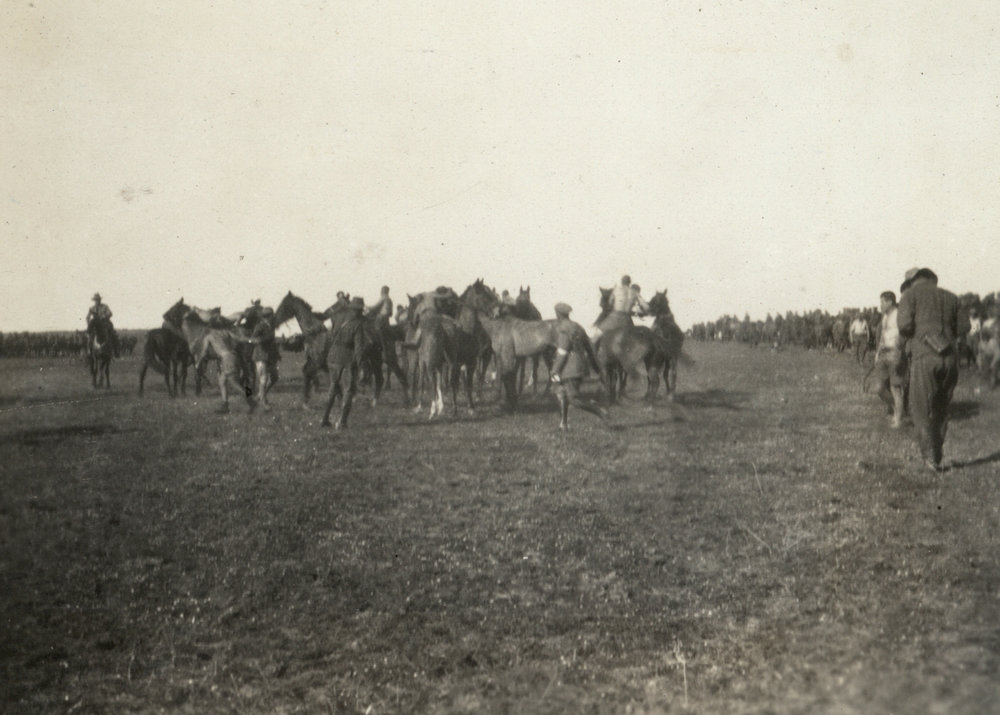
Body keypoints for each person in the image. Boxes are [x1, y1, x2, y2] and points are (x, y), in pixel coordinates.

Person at [896, 267, 970, 472]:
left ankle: (930, 458)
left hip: (924, 356)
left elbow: (904, 326)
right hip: (950, 358)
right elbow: (964, 328)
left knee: (919, 408)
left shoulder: (910, 295)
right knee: (941, 407)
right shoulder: (952, 297)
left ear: (914, 281)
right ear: (933, 280)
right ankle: (935, 454)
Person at [549, 302, 607, 430]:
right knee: (561, 392)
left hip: (569, 367)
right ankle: (563, 424)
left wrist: (555, 369)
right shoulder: (578, 327)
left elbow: (562, 352)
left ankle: (599, 410)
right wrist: (596, 368)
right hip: (580, 365)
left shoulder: (564, 328)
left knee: (573, 398)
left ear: (558, 314)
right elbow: (590, 348)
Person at [322, 297, 368, 429]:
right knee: (348, 390)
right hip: (347, 358)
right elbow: (359, 348)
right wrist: (362, 366)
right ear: (358, 310)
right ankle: (342, 422)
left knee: (333, 387)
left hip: (332, 356)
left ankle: (324, 419)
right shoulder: (358, 324)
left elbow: (327, 331)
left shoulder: (337, 316)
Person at [873, 291, 907, 428]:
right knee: (879, 388)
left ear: (890, 302)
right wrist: (877, 353)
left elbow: (902, 336)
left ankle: (898, 419)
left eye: (882, 302)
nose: (880, 305)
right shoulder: (885, 317)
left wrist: (897, 353)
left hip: (894, 353)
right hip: (883, 354)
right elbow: (882, 335)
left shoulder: (899, 315)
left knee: (895, 388)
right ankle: (898, 410)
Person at [592, 275, 650, 342]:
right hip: (627, 321)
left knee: (596, 335)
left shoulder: (616, 290)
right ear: (629, 283)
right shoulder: (635, 292)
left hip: (614, 318)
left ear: (621, 282)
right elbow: (646, 307)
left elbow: (610, 303)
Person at [246, 306, 280, 407]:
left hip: (270, 356)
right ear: (267, 316)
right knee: (263, 378)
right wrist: (263, 340)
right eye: (272, 315)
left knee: (275, 377)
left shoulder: (271, 326)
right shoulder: (260, 326)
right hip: (260, 355)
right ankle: (264, 401)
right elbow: (252, 339)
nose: (273, 317)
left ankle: (260, 395)